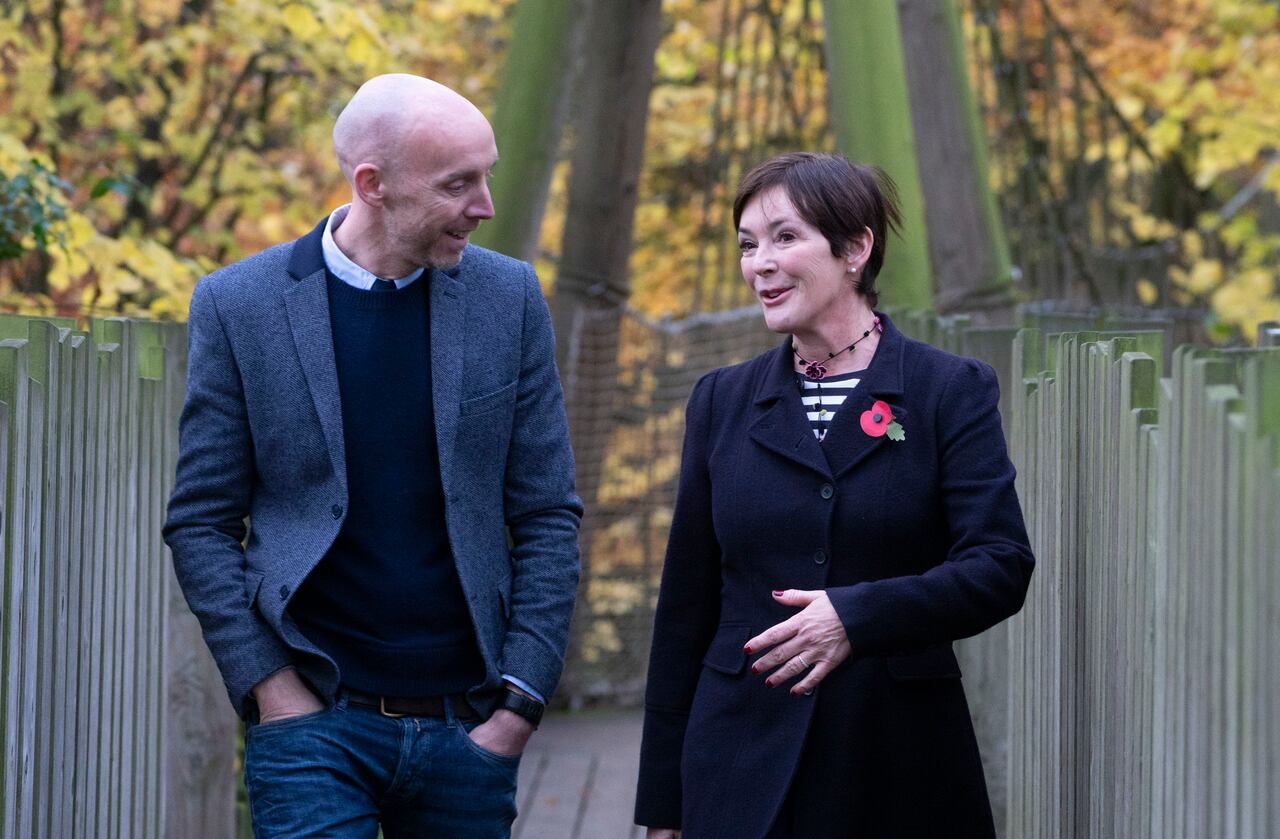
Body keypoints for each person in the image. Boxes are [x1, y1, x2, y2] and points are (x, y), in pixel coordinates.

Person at [163, 74, 582, 838]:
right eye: (459, 184)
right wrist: (270, 688)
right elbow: (200, 521)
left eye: (487, 175)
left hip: (470, 727)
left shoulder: (510, 299)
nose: (485, 205)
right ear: (373, 184)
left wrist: (521, 699)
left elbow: (548, 511)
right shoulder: (238, 304)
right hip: (313, 725)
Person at [634, 152, 1034, 839]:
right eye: (748, 244)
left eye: (785, 237)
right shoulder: (721, 401)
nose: (759, 262)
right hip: (738, 768)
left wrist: (856, 614)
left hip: (897, 765)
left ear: (855, 248)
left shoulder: (948, 391)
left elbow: (1000, 564)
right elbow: (685, 609)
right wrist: (663, 804)